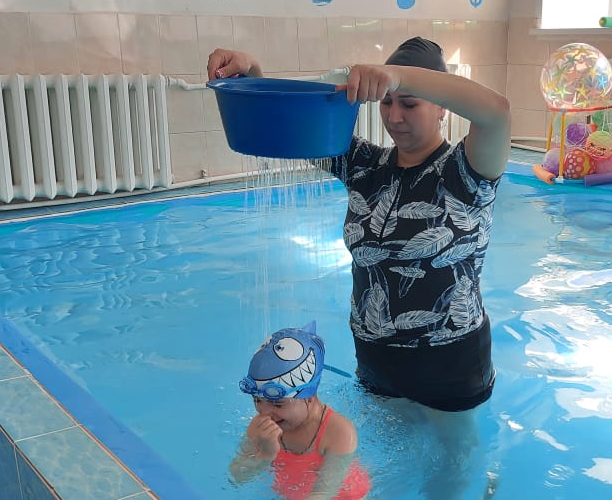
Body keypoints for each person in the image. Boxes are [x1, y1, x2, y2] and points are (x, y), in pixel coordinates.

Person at [207, 36, 511, 413]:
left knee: (455, 453)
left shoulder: (467, 172)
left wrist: (397, 76)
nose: (394, 117)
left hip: (451, 365)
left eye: (410, 103)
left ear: (441, 109)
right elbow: (290, 126)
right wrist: (252, 73)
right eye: (387, 102)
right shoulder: (365, 165)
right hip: (375, 359)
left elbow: (497, 112)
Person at [229, 322, 370, 500]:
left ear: (309, 396)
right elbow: (236, 476)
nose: (264, 413)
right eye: (257, 400)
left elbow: (324, 493)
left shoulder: (338, 432)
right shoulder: (260, 427)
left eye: (277, 404)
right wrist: (264, 455)